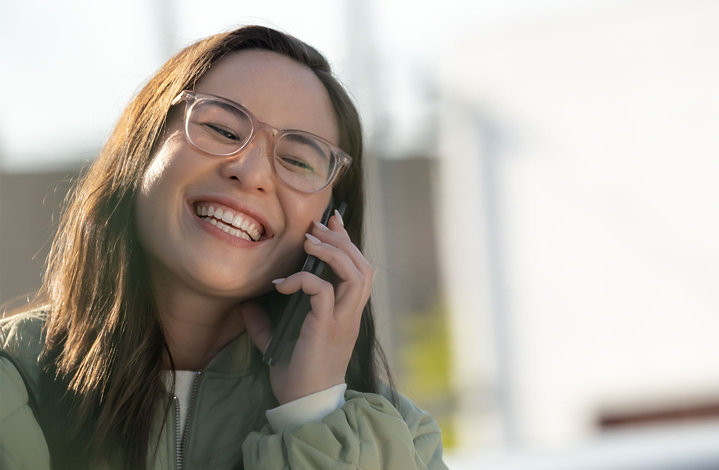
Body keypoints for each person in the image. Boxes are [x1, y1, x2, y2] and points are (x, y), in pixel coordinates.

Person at [0, 25, 447, 470]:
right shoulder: (12, 384)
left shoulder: (402, 443)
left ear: (334, 221)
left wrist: (315, 416)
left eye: (297, 160)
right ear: (142, 148)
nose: (250, 173)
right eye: (223, 129)